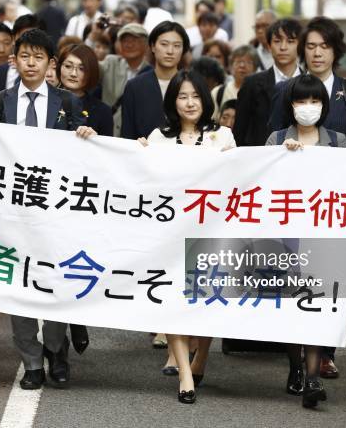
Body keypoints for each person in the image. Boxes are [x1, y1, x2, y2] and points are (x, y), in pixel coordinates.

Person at [0, 29, 91, 390]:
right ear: (14, 60)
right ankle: (31, 360)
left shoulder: (67, 103)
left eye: (39, 57)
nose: (31, 63)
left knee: (54, 281)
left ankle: (57, 350)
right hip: (11, 212)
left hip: (55, 211)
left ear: (50, 63)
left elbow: (85, 159)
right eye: (25, 56)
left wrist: (86, 135)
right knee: (18, 284)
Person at [268, 17, 346, 378]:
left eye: (325, 46)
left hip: (334, 205)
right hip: (292, 205)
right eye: (311, 46)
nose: (317, 53)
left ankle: (325, 352)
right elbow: (269, 143)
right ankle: (297, 352)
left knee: (332, 277)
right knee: (293, 275)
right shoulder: (287, 90)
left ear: (336, 51)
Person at [265, 73, 346, 408]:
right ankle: (296, 368)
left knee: (316, 305)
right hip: (287, 239)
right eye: (300, 100)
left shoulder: (338, 142)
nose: (307, 107)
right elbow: (258, 188)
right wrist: (281, 157)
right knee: (293, 304)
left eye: (314, 101)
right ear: (290, 104)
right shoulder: (276, 139)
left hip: (325, 238)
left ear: (324, 106)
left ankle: (311, 378)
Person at [138, 70, 236, 404]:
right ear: (173, 102)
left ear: (205, 100)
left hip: (211, 232)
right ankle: (184, 373)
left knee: (207, 300)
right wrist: (137, 153)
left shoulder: (223, 137)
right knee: (173, 301)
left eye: (195, 96)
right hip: (169, 233)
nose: (190, 102)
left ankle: (202, 358)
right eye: (182, 96)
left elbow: (238, 180)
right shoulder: (158, 137)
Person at [234, 18, 303, 146]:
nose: (283, 47)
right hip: (260, 158)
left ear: (300, 45)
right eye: (277, 41)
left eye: (290, 41)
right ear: (269, 45)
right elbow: (240, 130)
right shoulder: (252, 84)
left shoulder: (311, 84)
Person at [121, 21, 189, 140]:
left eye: (177, 46)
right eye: (164, 44)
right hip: (144, 154)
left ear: (183, 50)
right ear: (153, 46)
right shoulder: (135, 87)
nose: (170, 51)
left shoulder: (192, 84)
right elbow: (127, 134)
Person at [58, 43, 113, 136]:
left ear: (91, 72)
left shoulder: (102, 111)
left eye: (81, 69)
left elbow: (106, 148)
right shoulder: (44, 98)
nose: (73, 74)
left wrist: (95, 139)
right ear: (59, 67)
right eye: (68, 66)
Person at [0, 15, 43, 95]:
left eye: (35, 37)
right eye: (24, 36)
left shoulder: (50, 73)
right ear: (14, 39)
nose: (30, 42)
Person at [97, 23, 151, 109]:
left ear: (146, 45)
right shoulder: (111, 63)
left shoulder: (151, 72)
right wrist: (94, 36)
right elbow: (91, 68)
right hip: (111, 121)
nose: (129, 45)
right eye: (125, 41)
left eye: (134, 41)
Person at [211, 45, 259, 116]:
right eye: (238, 62)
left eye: (248, 62)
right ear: (230, 67)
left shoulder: (260, 93)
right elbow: (212, 120)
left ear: (255, 69)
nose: (242, 66)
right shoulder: (218, 92)